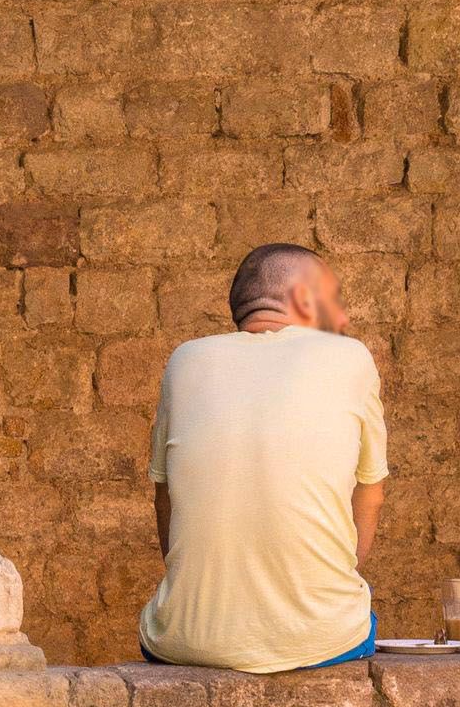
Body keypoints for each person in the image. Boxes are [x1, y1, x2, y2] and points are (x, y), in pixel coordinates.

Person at [139, 244, 387, 672]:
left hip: (183, 637)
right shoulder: (350, 357)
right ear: (306, 300)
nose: (342, 319)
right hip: (324, 638)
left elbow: (166, 500)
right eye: (335, 300)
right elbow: (371, 497)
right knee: (353, 617)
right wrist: (330, 587)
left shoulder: (185, 361)